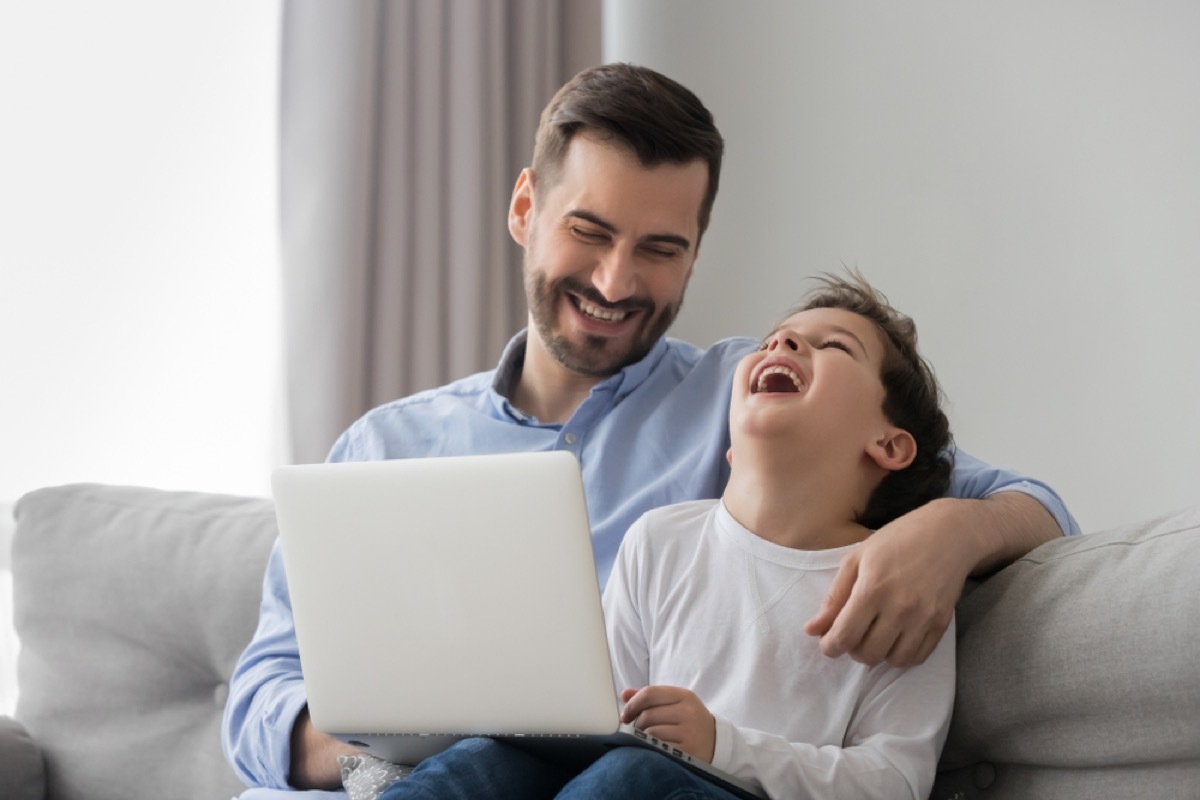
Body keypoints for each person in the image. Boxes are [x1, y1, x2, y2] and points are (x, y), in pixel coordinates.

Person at [222, 63, 1078, 797]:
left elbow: (1028, 506)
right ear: (526, 209)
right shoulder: (382, 449)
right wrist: (390, 753)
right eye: (588, 231)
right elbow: (262, 692)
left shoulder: (755, 400)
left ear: (695, 255)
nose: (615, 279)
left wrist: (949, 532)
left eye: (660, 249)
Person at [373, 272, 958, 800]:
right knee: (484, 761)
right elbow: (601, 720)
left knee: (636, 777)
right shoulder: (660, 540)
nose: (783, 344)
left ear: (889, 445)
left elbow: (895, 782)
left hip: (709, 788)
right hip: (626, 773)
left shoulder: (903, 585)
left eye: (834, 347)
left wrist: (721, 747)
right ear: (732, 442)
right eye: (774, 339)